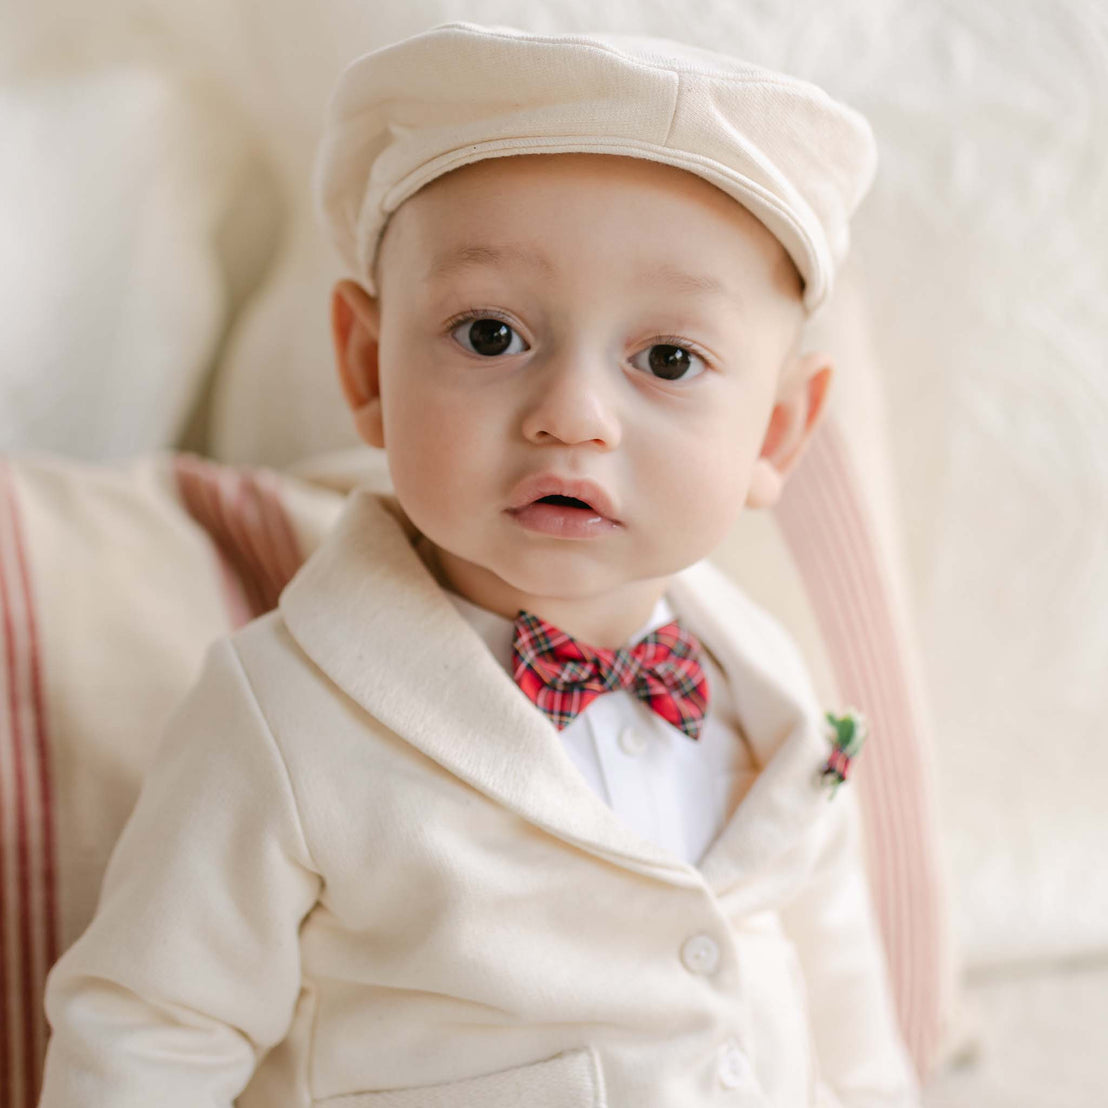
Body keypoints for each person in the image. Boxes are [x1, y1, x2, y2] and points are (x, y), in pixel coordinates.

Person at [37, 21, 920, 1107]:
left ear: (777, 434)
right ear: (367, 365)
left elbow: (840, 998)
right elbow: (150, 1035)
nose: (573, 416)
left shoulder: (767, 690)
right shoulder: (285, 719)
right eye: (492, 335)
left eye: (669, 359)